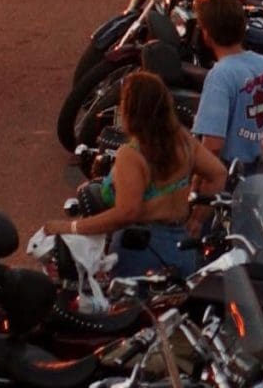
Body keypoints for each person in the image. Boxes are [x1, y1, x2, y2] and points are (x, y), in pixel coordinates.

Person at [46, 70, 226, 275]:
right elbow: (218, 173)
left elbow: (126, 213)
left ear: (130, 110)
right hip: (181, 245)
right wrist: (197, 219)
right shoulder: (182, 140)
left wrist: (72, 227)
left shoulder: (132, 155)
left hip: (140, 250)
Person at [192, 0, 263, 170]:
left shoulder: (220, 76)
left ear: (207, 35)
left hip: (239, 181)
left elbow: (213, 145)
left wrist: (199, 180)